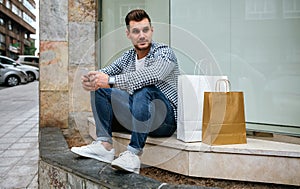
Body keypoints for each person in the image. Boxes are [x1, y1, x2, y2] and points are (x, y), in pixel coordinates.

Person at [71, 9, 180, 174]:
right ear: (128, 34)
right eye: (136, 31)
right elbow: (107, 72)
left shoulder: (164, 53)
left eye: (145, 30)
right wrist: (92, 79)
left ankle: (133, 154)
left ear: (152, 30)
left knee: (143, 88)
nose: (141, 35)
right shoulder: (128, 57)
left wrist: (110, 80)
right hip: (139, 115)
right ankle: (104, 145)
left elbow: (152, 75)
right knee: (101, 87)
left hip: (165, 121)